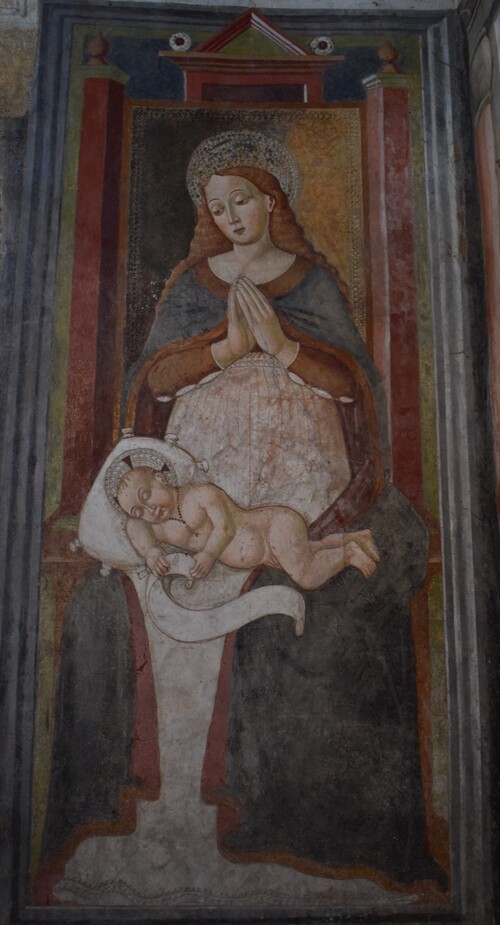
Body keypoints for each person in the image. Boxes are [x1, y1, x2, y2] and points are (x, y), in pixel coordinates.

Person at [40, 131, 446, 899]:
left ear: (273, 202)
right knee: (133, 584)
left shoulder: (313, 281)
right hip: (205, 463)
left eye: (242, 202)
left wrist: (283, 346)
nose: (229, 216)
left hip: (307, 466)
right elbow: (153, 376)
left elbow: (352, 381)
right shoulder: (194, 281)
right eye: (216, 206)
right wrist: (226, 350)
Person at [112, 462, 380, 584]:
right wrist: (151, 552)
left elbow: (226, 528)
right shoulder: (153, 525)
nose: (149, 509)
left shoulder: (201, 494)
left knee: (306, 575)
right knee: (310, 549)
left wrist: (208, 553)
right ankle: (357, 537)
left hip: (274, 525)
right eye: (138, 510)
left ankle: (349, 553)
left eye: (146, 495)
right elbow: (132, 527)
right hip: (265, 550)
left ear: (161, 478)